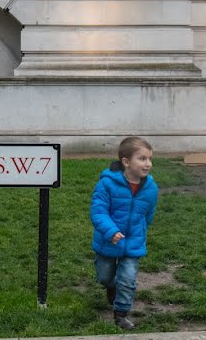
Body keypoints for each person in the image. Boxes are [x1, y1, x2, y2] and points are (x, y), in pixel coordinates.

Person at [90, 136, 158, 331]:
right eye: (142, 159)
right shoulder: (107, 184)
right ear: (126, 162)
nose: (148, 164)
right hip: (108, 241)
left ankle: (121, 314)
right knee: (104, 277)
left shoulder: (150, 188)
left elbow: (149, 213)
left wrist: (141, 231)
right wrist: (111, 231)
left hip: (133, 242)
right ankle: (111, 287)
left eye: (150, 159)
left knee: (127, 278)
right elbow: (98, 211)